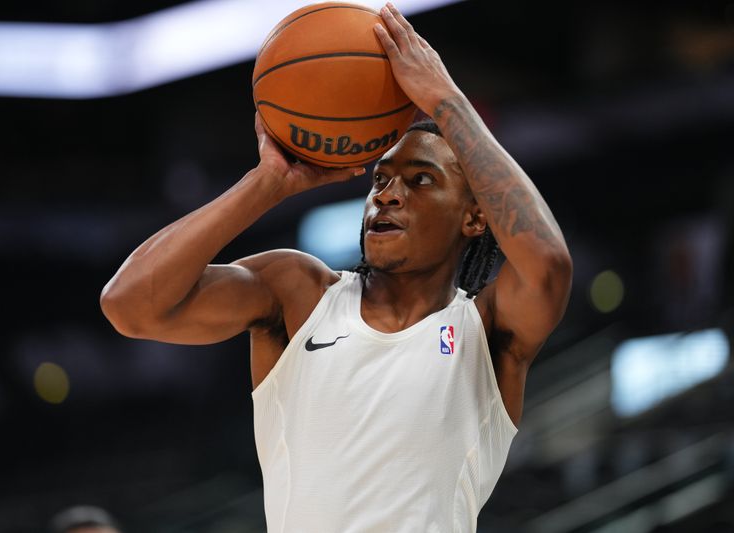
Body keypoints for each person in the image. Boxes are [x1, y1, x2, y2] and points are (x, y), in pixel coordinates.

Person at [100, 3, 572, 531]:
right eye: (380, 179)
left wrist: (446, 100)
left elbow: (548, 262)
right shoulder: (299, 293)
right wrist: (267, 184)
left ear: (474, 217)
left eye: (420, 180)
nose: (388, 195)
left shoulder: (488, 330)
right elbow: (129, 305)